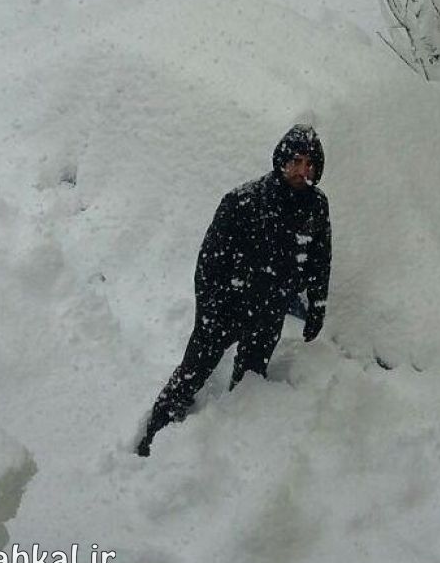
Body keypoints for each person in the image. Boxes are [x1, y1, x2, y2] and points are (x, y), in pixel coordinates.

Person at [136, 124, 332, 457]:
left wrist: (317, 305)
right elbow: (208, 262)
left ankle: (227, 455)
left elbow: (319, 259)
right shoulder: (244, 200)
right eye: (296, 161)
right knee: (192, 372)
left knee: (250, 385)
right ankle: (151, 435)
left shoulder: (316, 205)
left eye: (310, 164)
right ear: (282, 160)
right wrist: (212, 309)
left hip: (269, 313)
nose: (303, 170)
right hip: (227, 307)